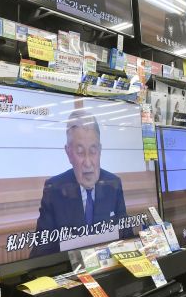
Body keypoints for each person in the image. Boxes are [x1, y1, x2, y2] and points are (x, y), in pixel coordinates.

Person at [30, 110, 129, 257]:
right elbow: (40, 253)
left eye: (93, 151)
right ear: (68, 152)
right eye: (80, 152)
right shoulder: (54, 189)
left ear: (100, 151)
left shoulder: (113, 184)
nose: (88, 163)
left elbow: (127, 239)